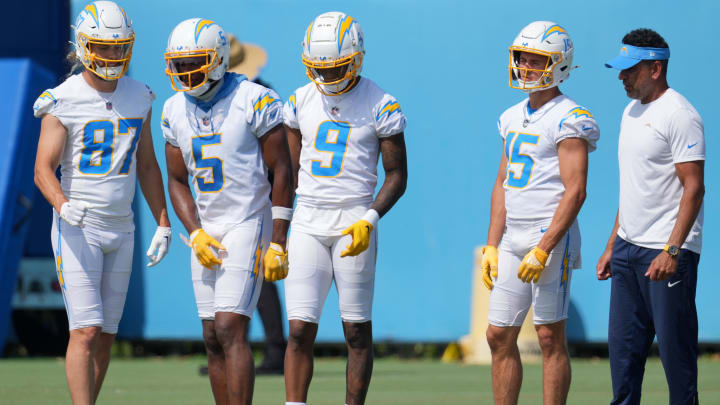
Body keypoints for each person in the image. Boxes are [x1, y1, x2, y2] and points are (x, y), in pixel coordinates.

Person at [32, 2, 171, 404]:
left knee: (107, 334)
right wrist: (62, 205)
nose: (111, 55)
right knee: (86, 330)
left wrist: (162, 221)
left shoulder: (140, 95)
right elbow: (43, 169)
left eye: (118, 47)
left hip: (122, 227)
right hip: (79, 226)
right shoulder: (62, 99)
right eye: (103, 47)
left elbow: (147, 164)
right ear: (82, 45)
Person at [160, 18, 294, 405]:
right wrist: (195, 230)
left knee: (230, 325)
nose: (185, 72)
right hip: (208, 225)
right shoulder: (172, 110)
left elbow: (282, 168)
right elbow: (177, 180)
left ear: (217, 60)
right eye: (179, 63)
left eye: (194, 62)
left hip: (248, 218)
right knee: (211, 335)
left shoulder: (255, 98)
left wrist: (279, 238)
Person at [282, 11, 408, 405]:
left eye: (335, 68)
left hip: (354, 220)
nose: (327, 78)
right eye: (319, 68)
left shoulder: (381, 103)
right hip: (307, 221)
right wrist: (276, 233)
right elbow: (288, 174)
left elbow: (397, 175)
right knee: (300, 329)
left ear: (356, 59)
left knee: (356, 330)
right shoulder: (300, 99)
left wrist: (369, 219)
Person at [479, 21, 599, 405]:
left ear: (559, 64)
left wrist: (545, 246)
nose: (526, 67)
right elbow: (502, 183)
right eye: (523, 59)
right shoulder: (511, 116)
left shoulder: (570, 117)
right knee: (498, 334)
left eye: (537, 60)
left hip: (551, 237)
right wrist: (492, 244)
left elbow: (576, 190)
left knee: (549, 336)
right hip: (513, 236)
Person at [598, 29, 704, 405]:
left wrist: (671, 251)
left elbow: (694, 188)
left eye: (630, 69)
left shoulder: (680, 115)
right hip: (627, 252)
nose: (621, 77)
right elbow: (632, 185)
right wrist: (613, 243)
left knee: (677, 364)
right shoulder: (630, 111)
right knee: (623, 363)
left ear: (655, 68)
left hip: (667, 254)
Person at [227, 34, 287, 375]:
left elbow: (277, 158)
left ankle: (275, 349)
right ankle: (235, 351)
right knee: (236, 276)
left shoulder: (260, 97)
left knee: (260, 276)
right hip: (235, 198)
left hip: (258, 197)